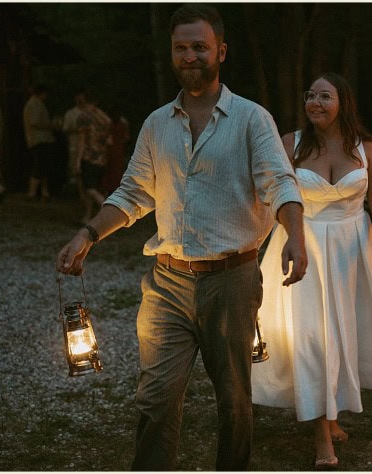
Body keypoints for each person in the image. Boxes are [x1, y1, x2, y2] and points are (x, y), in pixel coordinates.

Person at [55, 4, 308, 470]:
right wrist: (89, 233)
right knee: (155, 401)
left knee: (234, 403)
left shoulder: (252, 119)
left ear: (221, 52)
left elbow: (280, 182)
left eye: (199, 47)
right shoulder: (155, 124)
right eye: (180, 48)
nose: (189, 56)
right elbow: (133, 192)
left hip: (231, 282)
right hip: (166, 284)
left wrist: (295, 233)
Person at [251, 73, 372, 470]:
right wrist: (282, 235)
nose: (314, 103)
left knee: (341, 332)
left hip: (351, 248)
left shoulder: (365, 148)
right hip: (304, 244)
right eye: (310, 96)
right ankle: (321, 434)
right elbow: (274, 197)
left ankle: (331, 413)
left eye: (324, 96)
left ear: (343, 102)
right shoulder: (290, 144)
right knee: (312, 336)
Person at [72, 91, 112, 224]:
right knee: (93, 186)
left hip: (89, 157)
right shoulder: (104, 117)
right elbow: (109, 140)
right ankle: (87, 216)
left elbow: (81, 141)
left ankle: (109, 209)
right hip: (102, 157)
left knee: (90, 189)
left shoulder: (84, 118)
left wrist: (77, 160)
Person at [23, 84, 56, 201]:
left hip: (40, 139)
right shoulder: (35, 104)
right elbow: (34, 122)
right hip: (39, 139)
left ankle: (44, 192)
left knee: (43, 166)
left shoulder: (35, 103)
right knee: (40, 166)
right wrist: (50, 126)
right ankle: (32, 192)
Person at [62, 88, 88, 192]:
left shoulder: (90, 112)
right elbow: (66, 129)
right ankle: (81, 194)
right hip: (75, 145)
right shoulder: (70, 114)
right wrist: (78, 130)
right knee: (77, 172)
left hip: (89, 147)